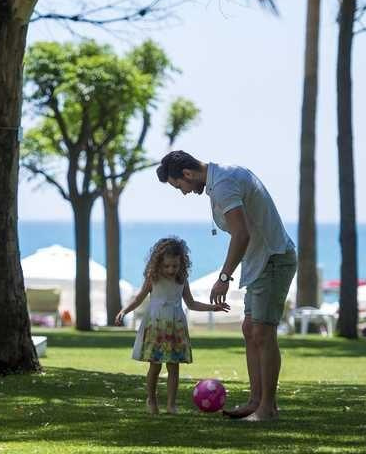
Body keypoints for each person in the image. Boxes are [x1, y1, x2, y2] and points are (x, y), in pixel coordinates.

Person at [157, 151, 296, 422]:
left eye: (179, 186)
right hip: (260, 262)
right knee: (250, 329)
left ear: (187, 174)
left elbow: (241, 234)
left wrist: (224, 278)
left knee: (263, 332)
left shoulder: (222, 185)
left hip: (273, 259)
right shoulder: (220, 178)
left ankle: (267, 408)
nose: (183, 192)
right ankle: (255, 401)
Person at [115, 237, 229, 415]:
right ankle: (151, 400)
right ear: (158, 263)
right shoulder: (153, 278)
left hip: (175, 327)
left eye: (175, 266)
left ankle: (171, 404)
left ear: (181, 263)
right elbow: (138, 298)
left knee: (173, 366)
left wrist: (212, 308)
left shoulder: (182, 279)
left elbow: (191, 303)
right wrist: (124, 311)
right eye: (166, 266)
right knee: (155, 366)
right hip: (156, 325)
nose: (170, 270)